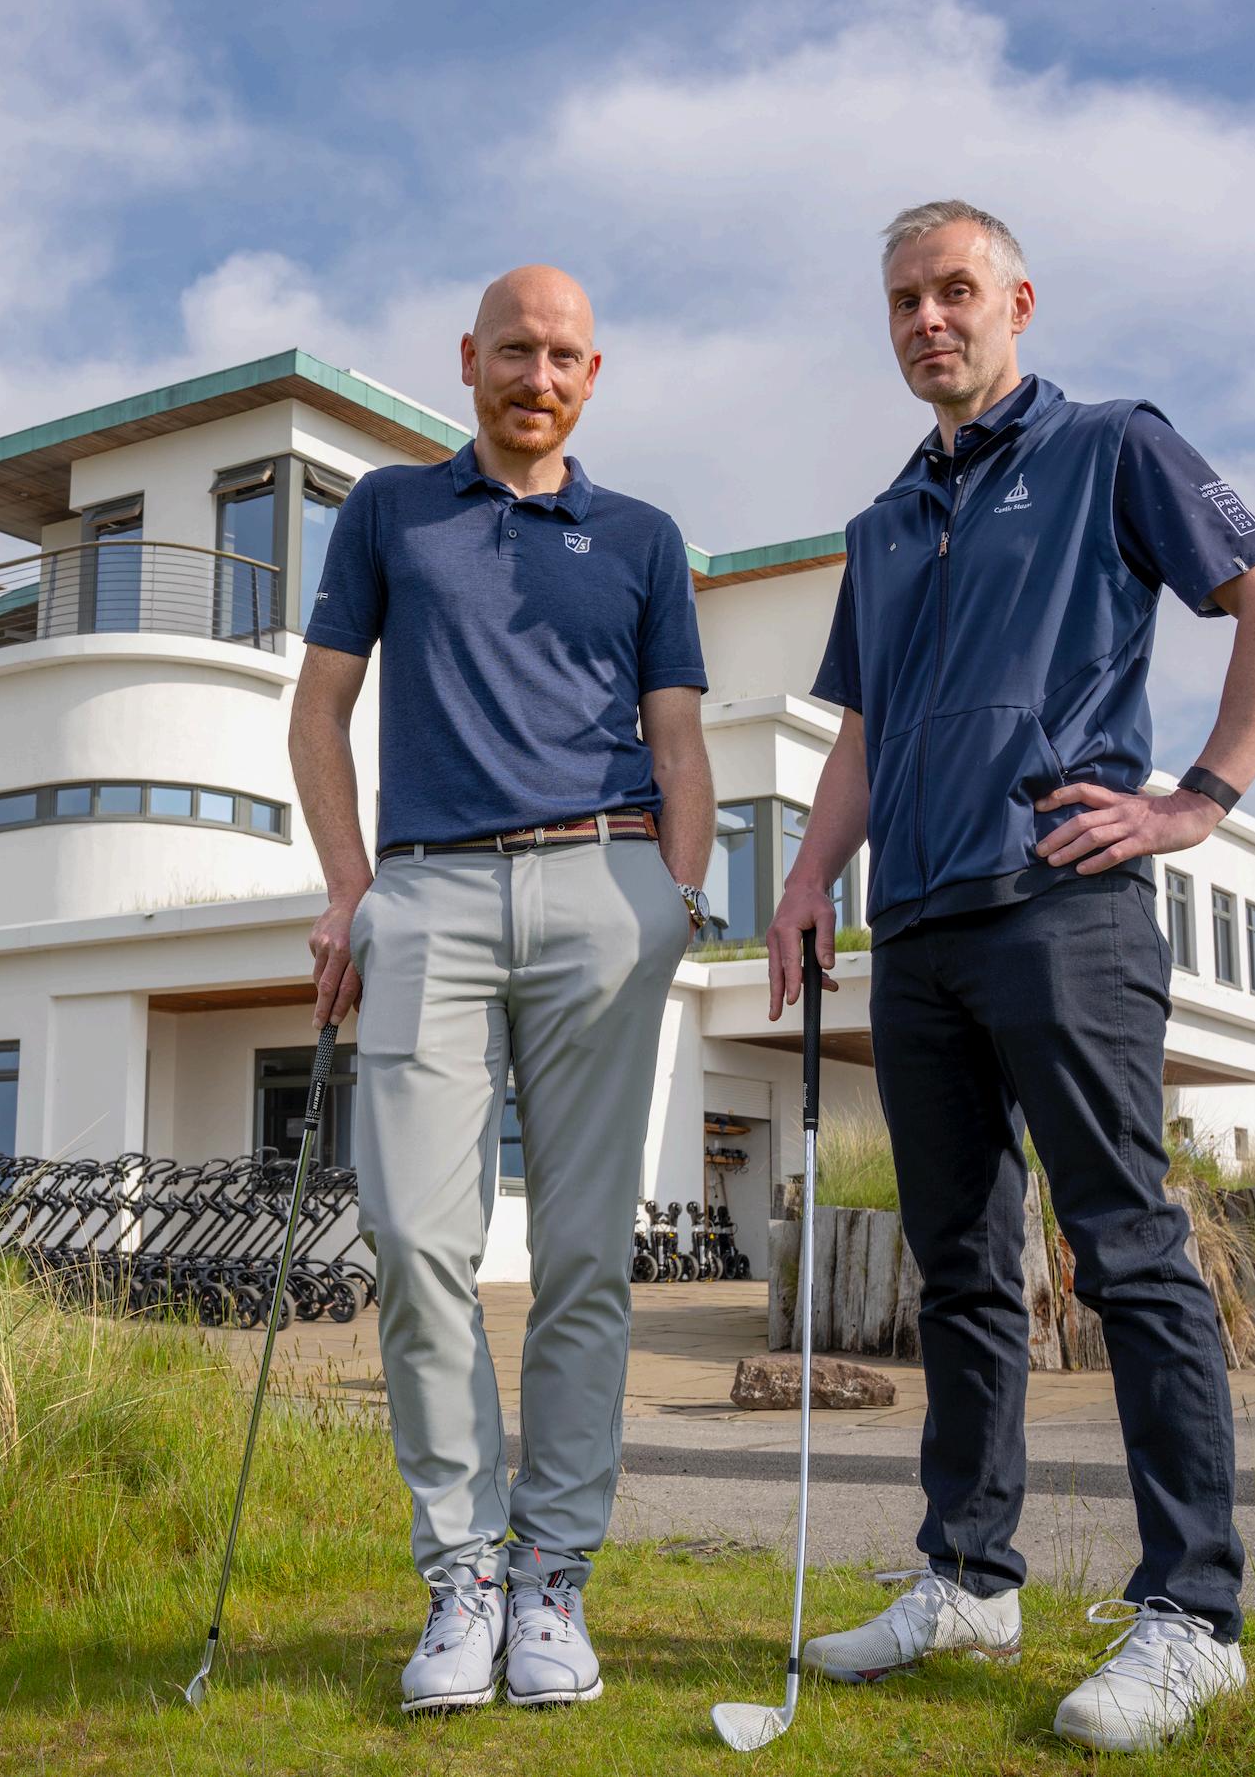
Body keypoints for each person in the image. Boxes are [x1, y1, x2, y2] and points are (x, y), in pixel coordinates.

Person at [767, 201, 1255, 1753]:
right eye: (903, 300)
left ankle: (1193, 1614)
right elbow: (865, 730)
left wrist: (1197, 800)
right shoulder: (883, 522)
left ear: (1018, 300)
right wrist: (808, 879)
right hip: (917, 930)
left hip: (1064, 911)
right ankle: (967, 1577)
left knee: (1128, 1250)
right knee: (957, 1267)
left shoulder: (1111, 445)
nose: (928, 320)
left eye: (955, 290)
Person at [289, 265, 714, 1714]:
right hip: (430, 895)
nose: (539, 375)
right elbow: (320, 710)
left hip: (605, 890)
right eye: (515, 350)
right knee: (416, 1237)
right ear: (468, 357)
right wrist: (351, 892)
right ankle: (463, 1574)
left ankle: (553, 1581)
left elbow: (678, 740)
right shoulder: (388, 512)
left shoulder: (644, 537)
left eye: (564, 356)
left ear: (594, 375)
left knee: (588, 1254)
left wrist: (676, 900)